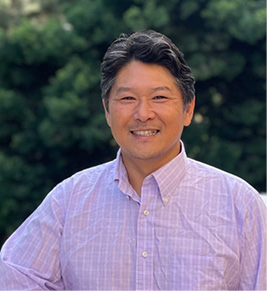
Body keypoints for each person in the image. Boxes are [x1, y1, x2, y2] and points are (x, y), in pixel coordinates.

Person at [0, 30, 266, 290]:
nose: (143, 113)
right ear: (107, 111)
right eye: (127, 98)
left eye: (159, 97)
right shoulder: (68, 201)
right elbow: (13, 277)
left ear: (188, 109)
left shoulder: (239, 205)